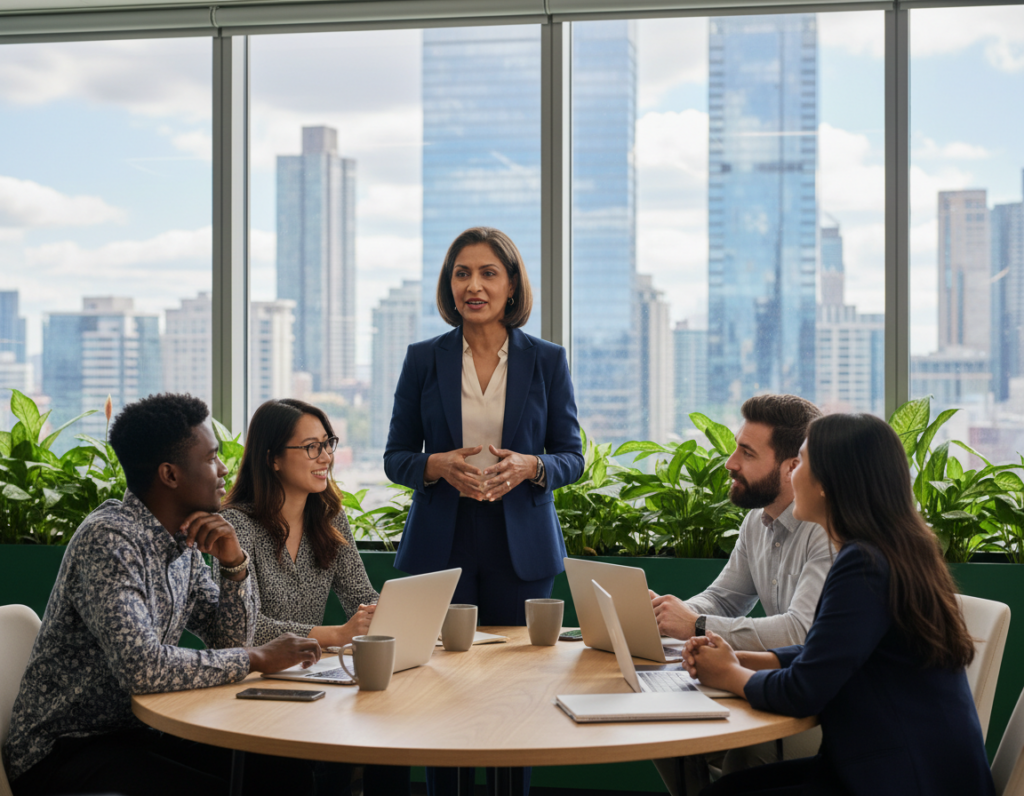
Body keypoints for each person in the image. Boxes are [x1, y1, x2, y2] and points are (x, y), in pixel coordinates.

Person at [2, 393, 322, 796]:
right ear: (170, 475)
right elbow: (143, 667)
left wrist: (234, 563)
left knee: (279, 769)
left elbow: (229, 641)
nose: (224, 469)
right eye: (210, 458)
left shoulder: (184, 541)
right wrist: (257, 657)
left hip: (134, 732)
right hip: (64, 750)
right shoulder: (110, 541)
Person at [685, 413, 995, 796]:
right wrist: (744, 659)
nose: (793, 473)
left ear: (828, 485)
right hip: (907, 764)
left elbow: (803, 692)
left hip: (903, 777)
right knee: (727, 789)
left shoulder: (863, 563)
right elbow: (833, 650)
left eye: (802, 462)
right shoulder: (892, 549)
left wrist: (728, 675)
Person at [383, 226, 584, 795]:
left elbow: (573, 456)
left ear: (513, 284)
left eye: (489, 273)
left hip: (521, 545)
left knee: (515, 691)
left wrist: (530, 467)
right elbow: (396, 457)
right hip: (440, 541)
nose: (474, 286)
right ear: (450, 286)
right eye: (462, 273)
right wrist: (437, 466)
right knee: (438, 686)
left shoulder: (546, 360)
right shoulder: (424, 359)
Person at [219, 397, 409, 796]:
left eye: (328, 444)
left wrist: (388, 616)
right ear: (272, 458)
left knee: (392, 732)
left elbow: (360, 594)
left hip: (314, 679)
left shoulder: (328, 516)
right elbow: (245, 626)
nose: (325, 457)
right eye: (311, 447)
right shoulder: (237, 525)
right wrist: (334, 635)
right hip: (258, 687)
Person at [649, 395, 830, 791]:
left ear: (792, 467)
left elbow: (802, 632)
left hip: (818, 713)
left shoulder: (826, 530)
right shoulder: (756, 521)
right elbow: (725, 597)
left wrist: (695, 624)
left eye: (746, 453)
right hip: (776, 680)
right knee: (657, 725)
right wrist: (669, 613)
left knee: (745, 758)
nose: (730, 462)